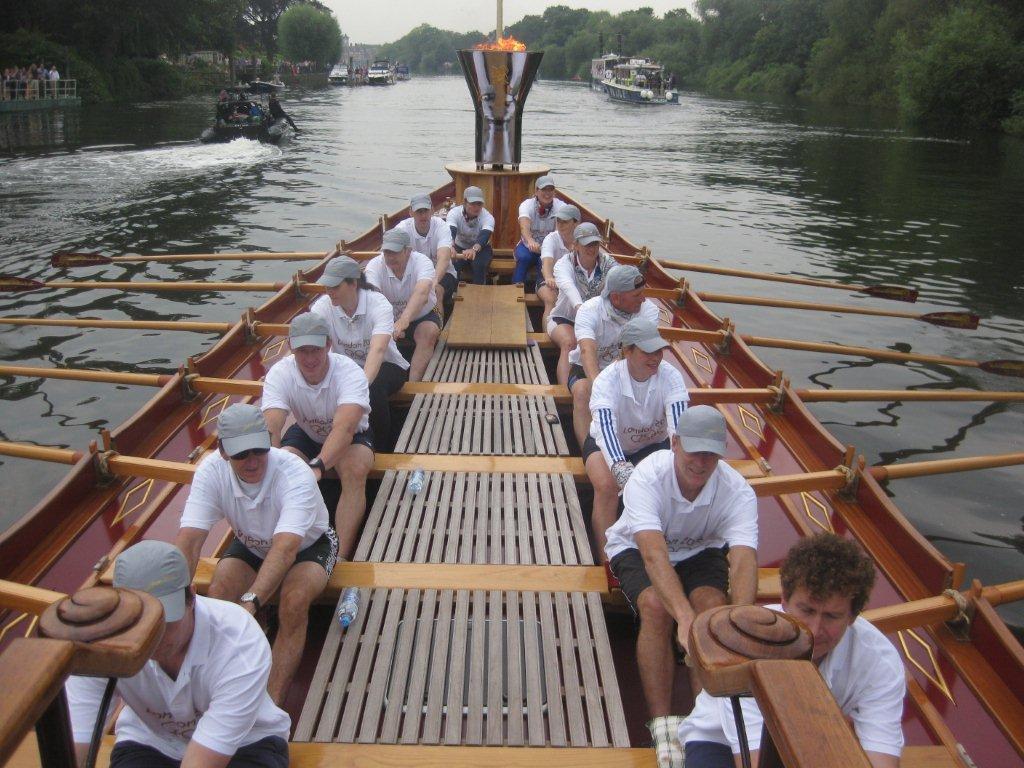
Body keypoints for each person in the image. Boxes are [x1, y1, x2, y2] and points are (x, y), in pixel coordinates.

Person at [679, 533, 905, 768]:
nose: (815, 630)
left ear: (853, 617)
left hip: (816, 741)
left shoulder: (880, 662)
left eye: (831, 616)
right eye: (807, 610)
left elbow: (881, 758)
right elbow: (755, 761)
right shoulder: (747, 647)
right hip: (721, 741)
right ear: (784, 600)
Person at [66, 540, 291, 767]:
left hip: (247, 743)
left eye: (167, 621)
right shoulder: (96, 644)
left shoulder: (239, 641)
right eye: (142, 622)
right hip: (150, 743)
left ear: (192, 597)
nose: (155, 637)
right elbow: (75, 744)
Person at [175, 403, 337, 706]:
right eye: (240, 454)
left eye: (258, 450)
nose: (252, 461)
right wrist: (176, 601)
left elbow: (286, 548)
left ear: (269, 442)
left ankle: (270, 706)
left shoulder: (294, 474)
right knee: (220, 588)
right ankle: (224, 688)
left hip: (309, 546)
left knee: (294, 601)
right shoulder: (210, 472)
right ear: (223, 452)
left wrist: (251, 601)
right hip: (251, 545)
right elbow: (190, 541)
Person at [604, 405, 758, 718]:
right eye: (693, 451)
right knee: (656, 607)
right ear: (675, 444)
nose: (701, 463)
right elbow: (653, 554)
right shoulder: (646, 478)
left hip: (700, 549)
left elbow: (743, 562)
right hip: (634, 546)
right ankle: (662, 723)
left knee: (712, 607)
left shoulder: (738, 492)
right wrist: (685, 621)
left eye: (710, 455)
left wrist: (734, 625)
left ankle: (706, 719)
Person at [261, 313, 373, 560]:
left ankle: (340, 556)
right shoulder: (280, 373)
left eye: (316, 350)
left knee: (354, 468)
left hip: (352, 435)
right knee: (283, 465)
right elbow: (272, 427)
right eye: (303, 351)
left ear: (329, 345)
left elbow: (343, 430)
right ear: (291, 347)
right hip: (306, 432)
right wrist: (271, 467)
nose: (310, 359)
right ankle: (284, 546)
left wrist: (319, 467)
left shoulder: (349, 372)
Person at [586, 317, 689, 558]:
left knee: (668, 482)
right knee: (606, 486)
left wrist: (679, 466)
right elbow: (605, 431)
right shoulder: (606, 380)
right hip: (610, 446)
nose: (656, 358)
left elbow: (679, 426)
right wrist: (622, 471)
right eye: (648, 352)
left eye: (659, 351)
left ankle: (665, 552)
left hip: (653, 445)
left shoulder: (671, 376)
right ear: (627, 351)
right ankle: (607, 559)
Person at [309, 255, 410, 451]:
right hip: (349, 369)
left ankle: (381, 448)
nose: (329, 292)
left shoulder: (378, 304)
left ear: (353, 283)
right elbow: (315, 345)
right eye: (327, 287)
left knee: (373, 388)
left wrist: (359, 389)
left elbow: (378, 350)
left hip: (387, 366)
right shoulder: (322, 307)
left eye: (335, 287)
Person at [567, 263, 659, 446]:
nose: (643, 300)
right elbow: (587, 350)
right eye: (637, 295)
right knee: (582, 392)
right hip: (586, 368)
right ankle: (589, 451)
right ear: (616, 297)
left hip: (626, 367)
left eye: (643, 293)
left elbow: (638, 352)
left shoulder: (649, 311)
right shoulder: (590, 310)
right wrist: (599, 385)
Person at [363, 227, 440, 382]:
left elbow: (422, 293)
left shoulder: (422, 262)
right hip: (387, 319)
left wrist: (404, 320)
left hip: (421, 316)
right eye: (386, 252)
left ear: (408, 251)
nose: (390, 257)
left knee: (429, 332)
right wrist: (389, 324)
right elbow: (372, 298)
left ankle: (414, 385)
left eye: (395, 252)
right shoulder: (374, 266)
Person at [547, 220, 617, 386]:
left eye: (595, 244)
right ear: (575, 245)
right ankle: (564, 394)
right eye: (587, 244)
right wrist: (582, 310)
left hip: (597, 320)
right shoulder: (563, 264)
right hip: (564, 318)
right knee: (569, 342)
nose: (592, 249)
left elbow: (617, 279)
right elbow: (569, 289)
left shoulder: (609, 263)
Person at [395, 193, 456, 319]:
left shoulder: (441, 226)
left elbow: (444, 258)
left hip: (443, 274)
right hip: (414, 275)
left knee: (436, 292)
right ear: (411, 213)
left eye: (426, 211)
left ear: (432, 210)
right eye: (419, 212)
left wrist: (433, 282)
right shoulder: (402, 229)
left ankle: (438, 332)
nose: (423, 216)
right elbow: (392, 255)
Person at [514, 175, 566, 287]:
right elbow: (524, 226)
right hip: (528, 246)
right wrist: (530, 241)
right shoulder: (526, 205)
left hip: (550, 247)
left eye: (550, 189)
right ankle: (515, 289)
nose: (547, 193)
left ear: (554, 192)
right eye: (544, 189)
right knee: (524, 258)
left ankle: (541, 289)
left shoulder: (561, 207)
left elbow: (559, 232)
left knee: (543, 262)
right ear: (536, 191)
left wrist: (547, 248)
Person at [537, 204, 579, 330]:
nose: (560, 225)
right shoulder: (551, 239)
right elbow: (546, 263)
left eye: (565, 222)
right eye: (558, 221)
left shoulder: (583, 241)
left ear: (576, 224)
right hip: (549, 280)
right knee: (551, 299)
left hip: (576, 281)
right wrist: (549, 277)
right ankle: (547, 336)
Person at [446, 185, 495, 285]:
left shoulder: (488, 217)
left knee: (479, 265)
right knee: (452, 264)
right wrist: (451, 247)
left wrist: (473, 250)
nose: (476, 207)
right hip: (458, 246)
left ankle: (478, 291)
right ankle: (453, 293)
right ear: (464, 202)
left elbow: (484, 236)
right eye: (472, 203)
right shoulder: (454, 213)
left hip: (482, 249)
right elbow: (451, 231)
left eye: (479, 204)